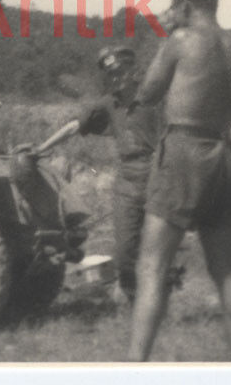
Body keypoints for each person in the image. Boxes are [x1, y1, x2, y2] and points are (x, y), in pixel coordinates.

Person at [127, 0, 231, 361]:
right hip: (224, 155)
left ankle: (133, 367)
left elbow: (147, 94)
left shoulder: (179, 41)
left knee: (151, 267)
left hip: (184, 154)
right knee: (226, 268)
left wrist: (163, 39)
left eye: (174, 4)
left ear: (183, 3)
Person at [34, 45, 162, 301]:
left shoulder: (154, 99)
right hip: (127, 178)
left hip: (158, 175)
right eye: (109, 74)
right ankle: (130, 292)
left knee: (157, 246)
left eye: (119, 71)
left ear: (133, 70)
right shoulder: (108, 104)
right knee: (125, 250)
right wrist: (41, 148)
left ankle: (155, 297)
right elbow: (73, 127)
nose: (114, 78)